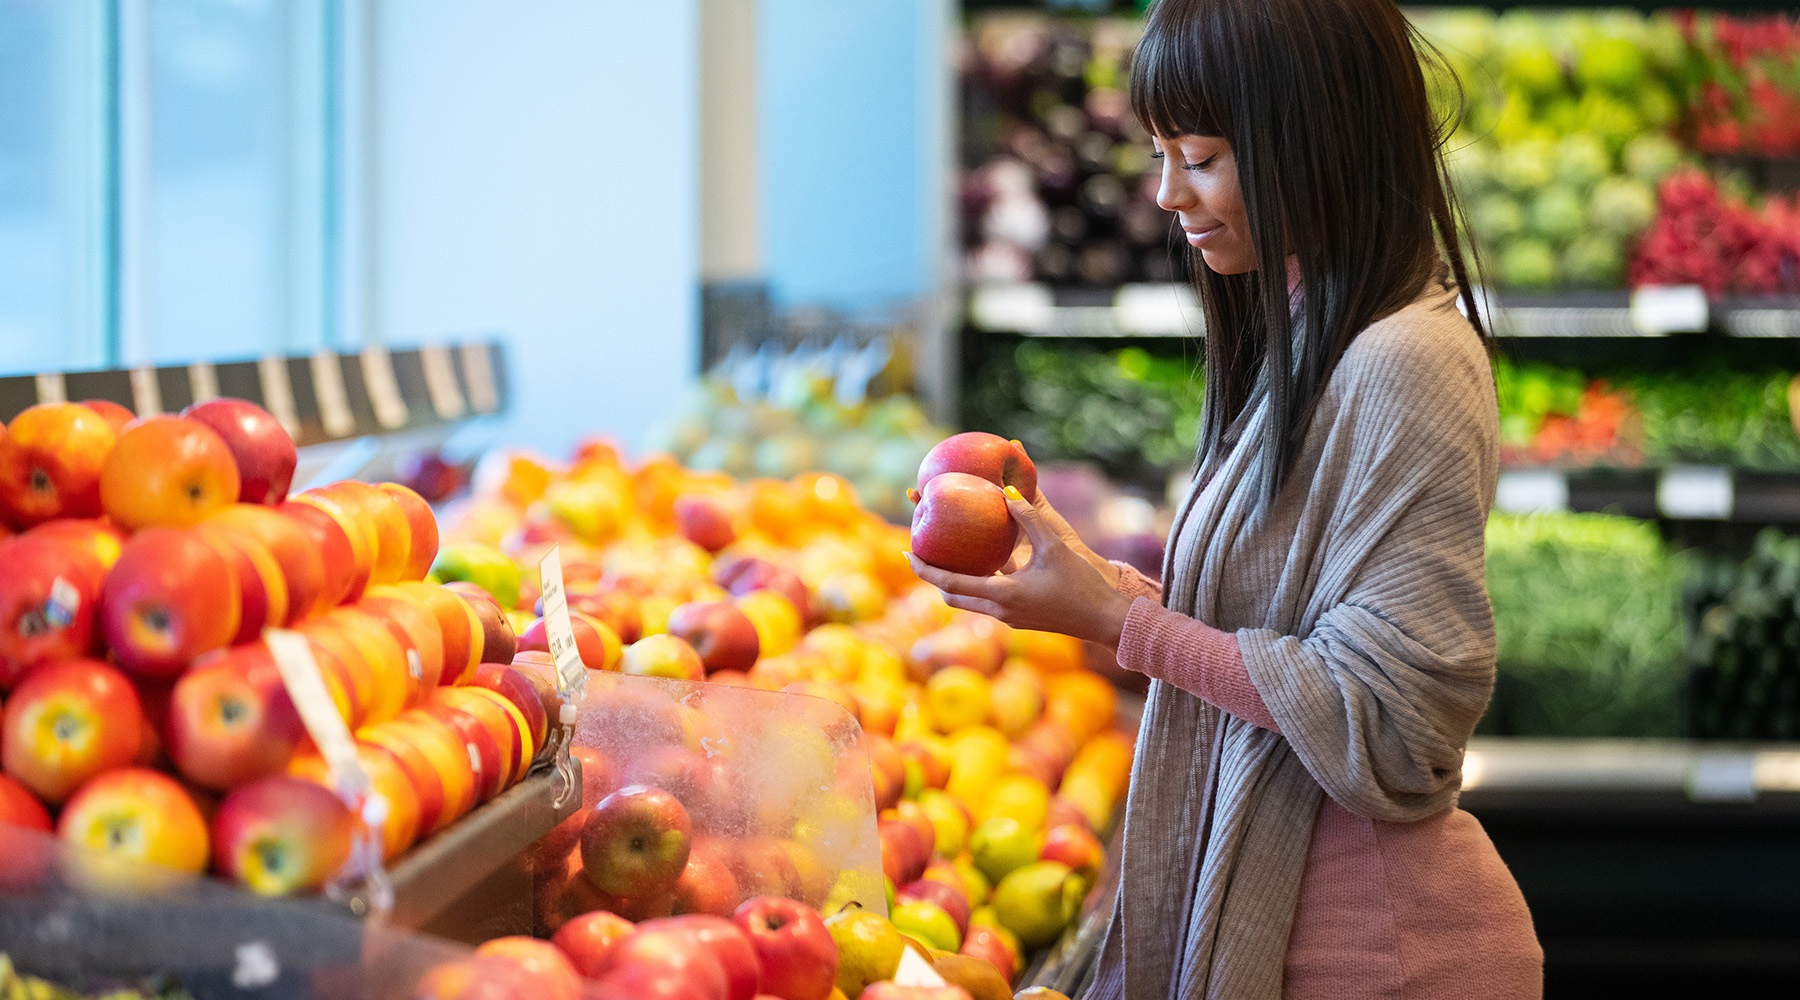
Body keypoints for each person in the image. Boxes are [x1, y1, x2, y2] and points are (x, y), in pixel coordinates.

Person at [907, 0, 1544, 997]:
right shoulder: (1306, 323)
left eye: (1198, 159)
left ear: (1313, 142)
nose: (1166, 194)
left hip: (1381, 956)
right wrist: (1101, 592)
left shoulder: (1405, 358)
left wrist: (1126, 623)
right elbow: (1281, 632)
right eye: (1161, 156)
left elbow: (1392, 717)